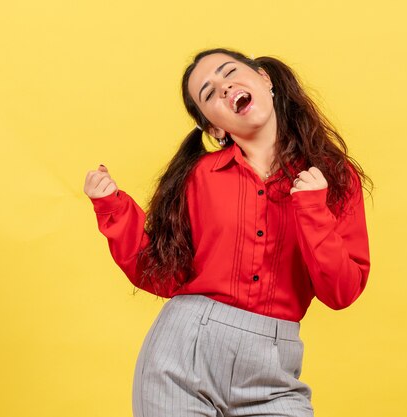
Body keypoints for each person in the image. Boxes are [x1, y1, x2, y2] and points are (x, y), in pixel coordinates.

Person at [83, 47, 373, 417]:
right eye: (208, 92)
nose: (223, 87)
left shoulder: (333, 176)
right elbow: (163, 273)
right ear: (215, 127)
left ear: (264, 80)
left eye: (228, 72)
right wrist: (113, 209)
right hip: (182, 357)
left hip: (273, 374)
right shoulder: (199, 177)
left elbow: (342, 291)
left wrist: (312, 209)